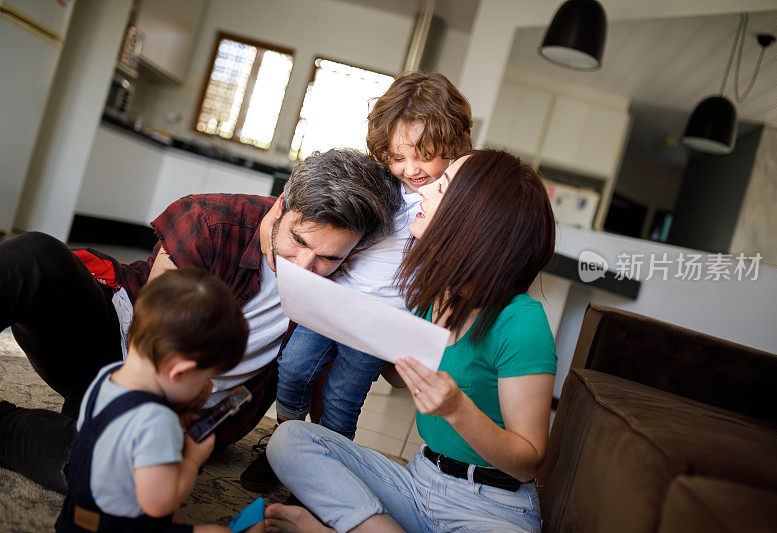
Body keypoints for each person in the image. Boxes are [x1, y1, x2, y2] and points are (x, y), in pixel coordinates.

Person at [0, 148, 401, 493]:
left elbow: (356, 377)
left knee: (115, 470)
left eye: (329, 259)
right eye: (299, 242)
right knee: (37, 255)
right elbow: (152, 338)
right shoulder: (211, 220)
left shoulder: (350, 282)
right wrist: (137, 413)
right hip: (119, 351)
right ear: (281, 206)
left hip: (194, 417)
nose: (306, 267)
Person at [262, 149, 558, 532]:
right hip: (419, 482)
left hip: (490, 507)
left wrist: (456, 409)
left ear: (471, 220)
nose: (425, 190)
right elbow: (400, 377)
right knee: (289, 440)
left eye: (443, 186)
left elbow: (529, 460)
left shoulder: (521, 322)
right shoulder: (432, 297)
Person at [270, 72, 472, 443]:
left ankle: (331, 461)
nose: (412, 169)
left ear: (454, 144)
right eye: (398, 157)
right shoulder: (377, 182)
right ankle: (286, 439)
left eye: (425, 156)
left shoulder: (450, 202)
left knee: (343, 398)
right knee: (293, 367)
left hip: (383, 320)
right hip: (334, 300)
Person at [57, 268, 250, 532]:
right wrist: (192, 459)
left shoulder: (107, 376)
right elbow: (159, 503)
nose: (209, 385)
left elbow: (124, 442)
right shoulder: (157, 421)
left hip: (74, 521)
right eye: (208, 376)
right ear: (179, 371)